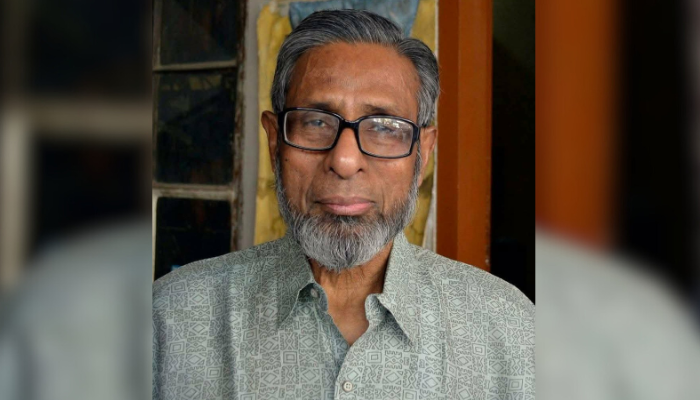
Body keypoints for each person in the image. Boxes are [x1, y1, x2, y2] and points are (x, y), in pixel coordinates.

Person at [153, 9, 534, 400]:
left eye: (384, 127)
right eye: (316, 122)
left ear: (423, 154)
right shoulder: (172, 320)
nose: (345, 160)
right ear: (275, 142)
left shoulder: (509, 330)